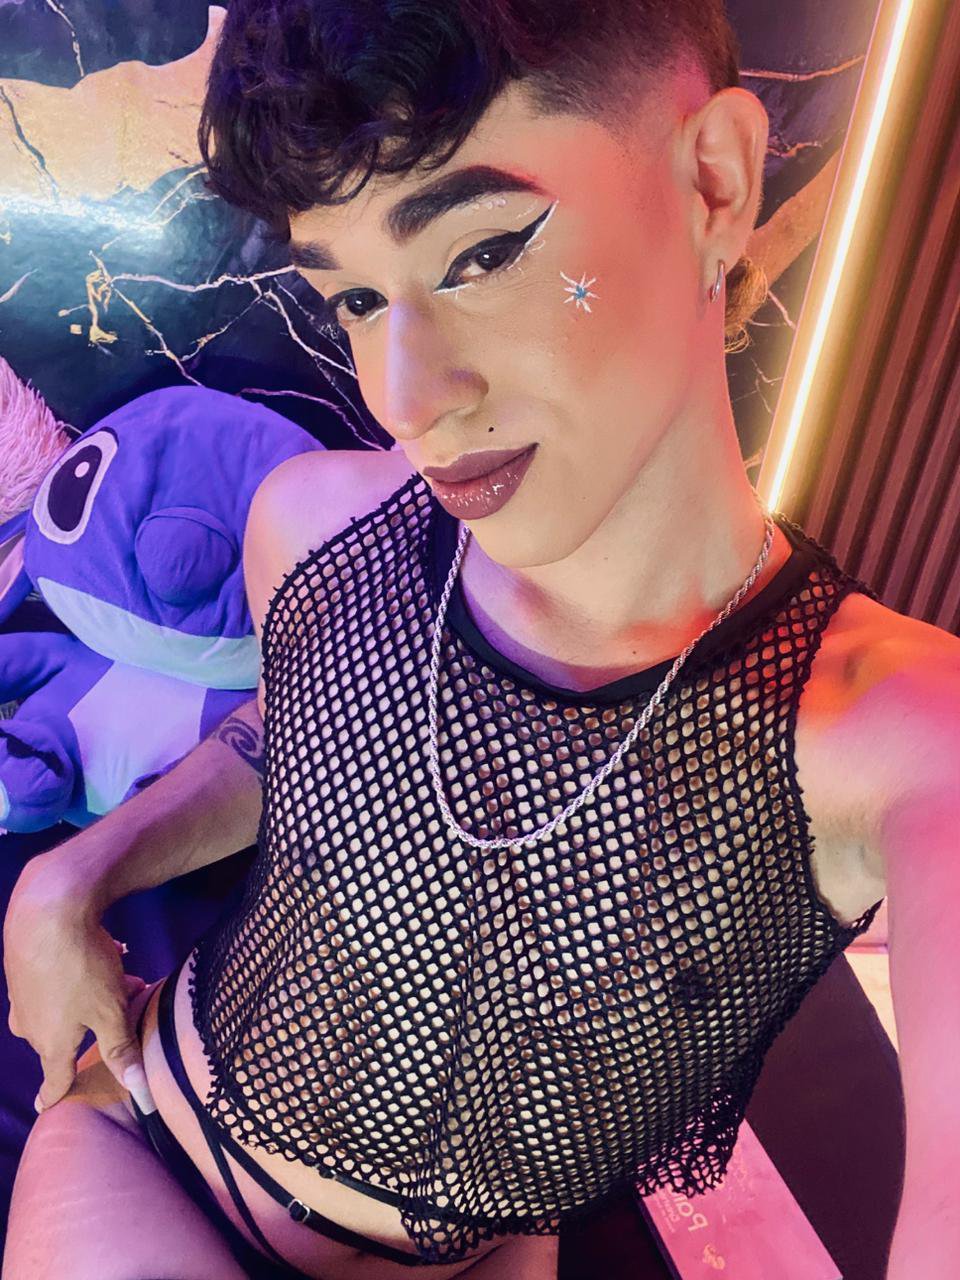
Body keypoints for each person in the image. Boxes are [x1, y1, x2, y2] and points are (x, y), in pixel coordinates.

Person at [4, 1, 959, 1278]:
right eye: (354, 297)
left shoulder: (900, 739)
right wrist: (74, 872)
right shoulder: (321, 524)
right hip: (161, 1160)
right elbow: (294, 737)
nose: (406, 398)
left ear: (717, 184)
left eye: (481, 253)